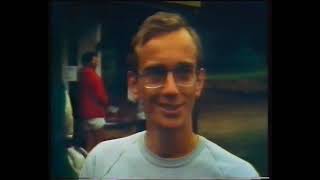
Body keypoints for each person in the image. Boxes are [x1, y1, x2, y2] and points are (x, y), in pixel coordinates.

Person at [79, 12, 259, 179]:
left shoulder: (238, 174)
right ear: (134, 84)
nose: (170, 89)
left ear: (199, 82)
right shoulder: (100, 164)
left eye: (183, 73)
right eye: (156, 73)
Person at [78, 51, 109, 152]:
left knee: (89, 144)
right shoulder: (94, 77)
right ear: (91, 61)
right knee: (100, 145)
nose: (97, 62)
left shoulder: (81, 75)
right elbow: (101, 97)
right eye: (95, 59)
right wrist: (106, 104)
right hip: (96, 113)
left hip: (85, 114)